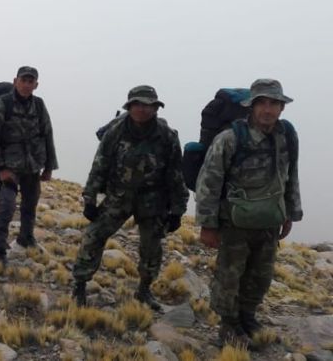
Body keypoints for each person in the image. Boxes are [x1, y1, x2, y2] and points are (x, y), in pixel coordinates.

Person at [195, 78, 302, 346]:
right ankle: (228, 325)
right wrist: (207, 225)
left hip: (269, 222)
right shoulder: (229, 139)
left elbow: (290, 175)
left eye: (274, 103)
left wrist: (290, 211)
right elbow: (209, 182)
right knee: (229, 276)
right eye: (262, 103)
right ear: (251, 106)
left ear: (282, 107)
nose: (268, 109)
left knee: (260, 276)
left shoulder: (286, 135)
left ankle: (248, 317)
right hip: (234, 223)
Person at [72, 85, 189, 310]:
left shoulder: (167, 136)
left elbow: (176, 174)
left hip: (153, 200)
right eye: (138, 105)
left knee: (152, 247)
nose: (143, 110)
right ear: (130, 107)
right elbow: (100, 165)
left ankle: (144, 290)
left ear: (156, 108)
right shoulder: (115, 131)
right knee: (93, 237)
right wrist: (89, 198)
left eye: (149, 105)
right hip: (119, 195)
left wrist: (177, 209)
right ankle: (79, 285)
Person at [0, 66, 58, 265]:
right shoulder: (2, 104)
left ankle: (26, 237)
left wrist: (49, 166)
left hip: (32, 165)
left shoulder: (39, 105)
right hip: (8, 166)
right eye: (23, 80)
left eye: (30, 81)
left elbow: (47, 134)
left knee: (30, 205)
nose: (26, 85)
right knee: (7, 206)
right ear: (16, 81)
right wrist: (0, 168)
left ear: (36, 84)